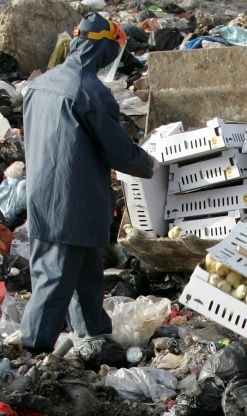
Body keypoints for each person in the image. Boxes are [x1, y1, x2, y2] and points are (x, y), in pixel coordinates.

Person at [20, 12, 157, 354]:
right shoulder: (89, 90)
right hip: (73, 203)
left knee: (84, 275)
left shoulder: (39, 85)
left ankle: (94, 337)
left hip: (42, 197)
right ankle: (30, 353)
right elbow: (118, 151)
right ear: (102, 49)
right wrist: (154, 164)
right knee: (54, 282)